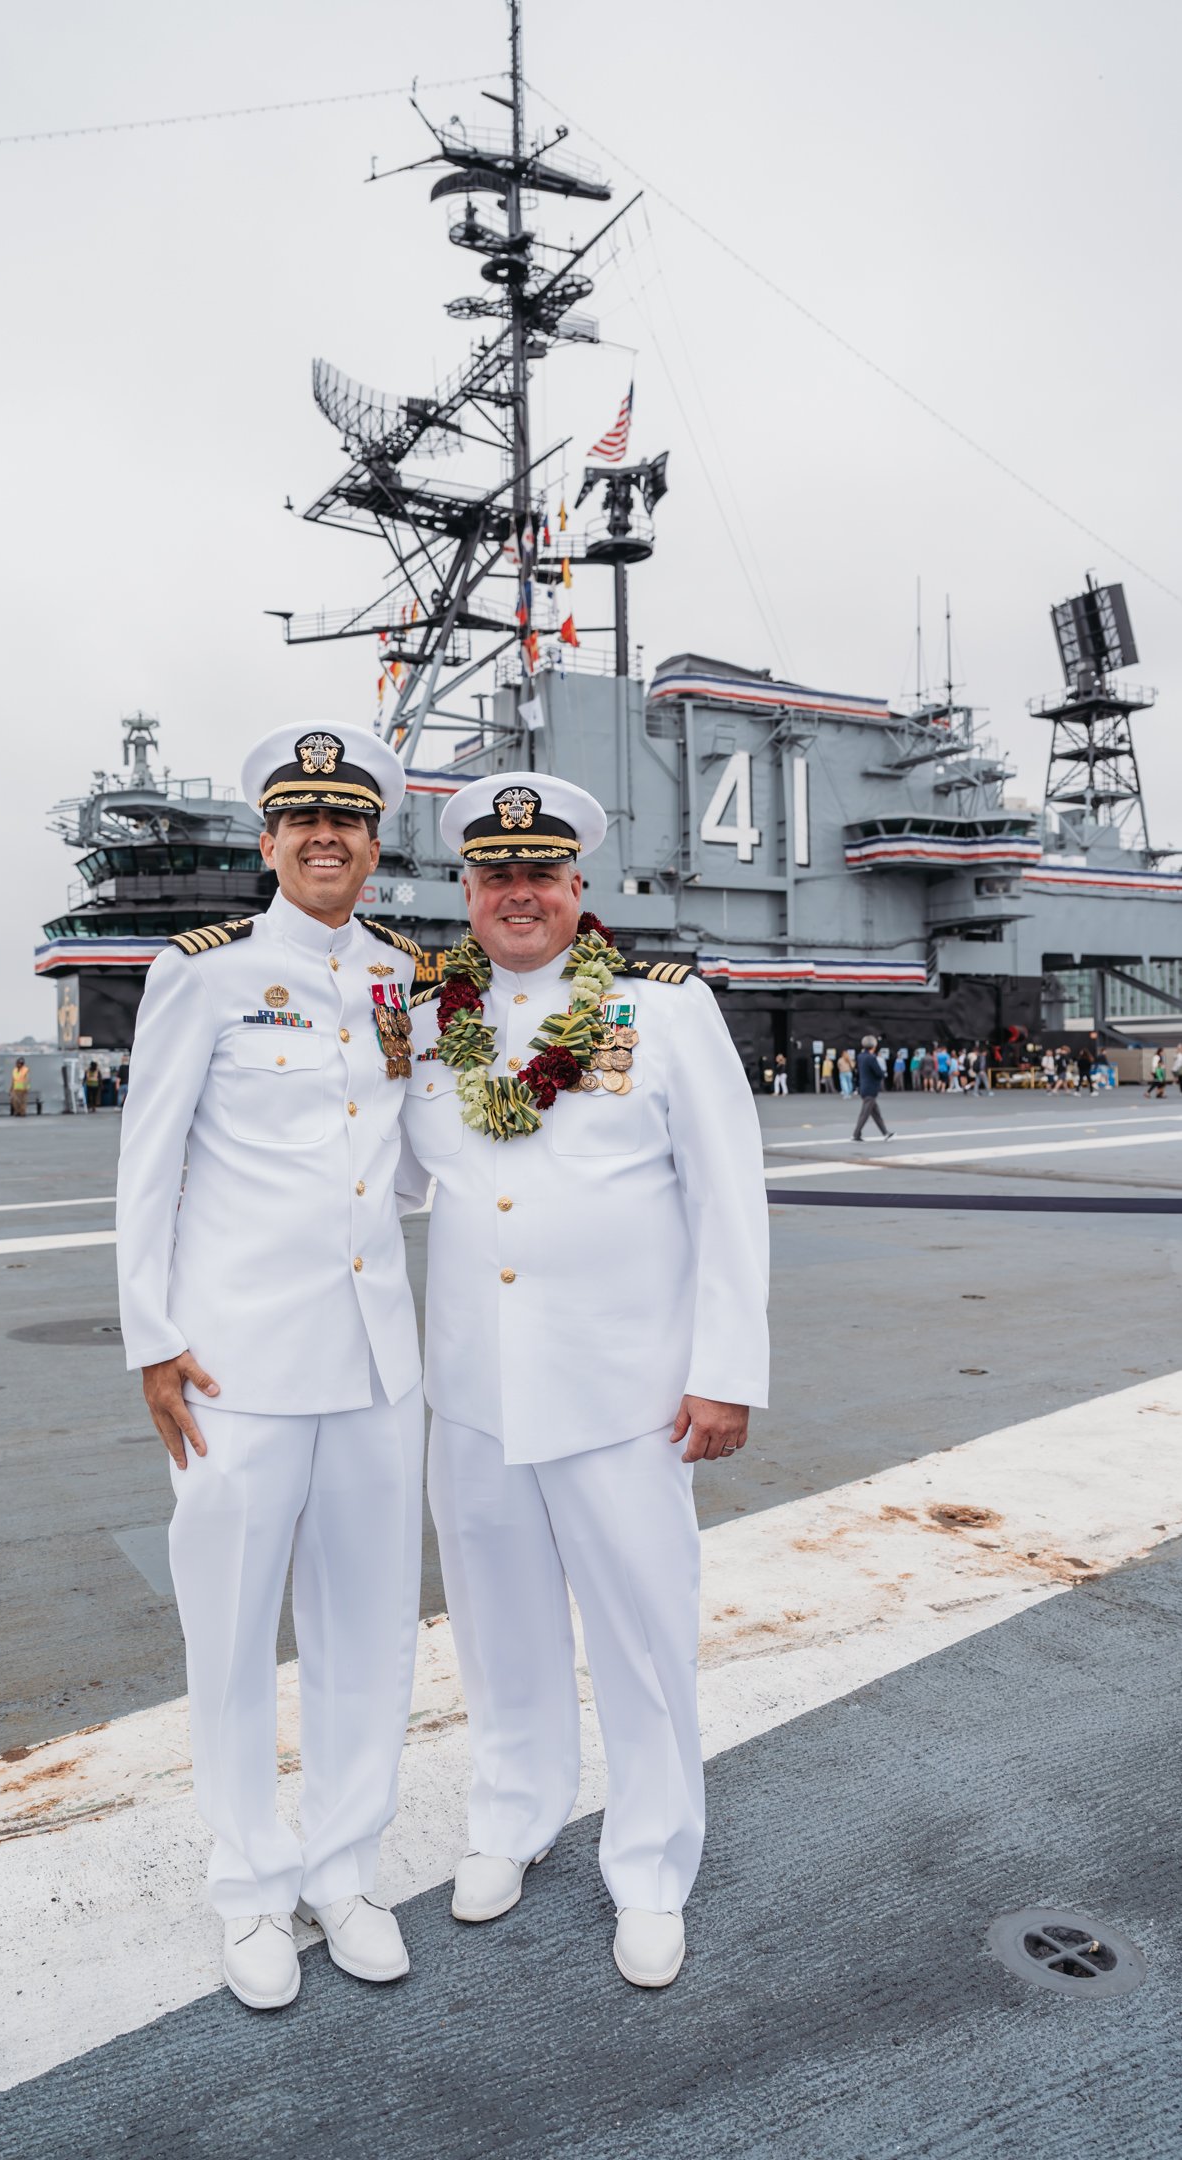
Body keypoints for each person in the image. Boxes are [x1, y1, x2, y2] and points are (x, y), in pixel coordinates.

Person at [400, 773, 768, 1992]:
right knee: (498, 1628)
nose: (518, 893)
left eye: (539, 874)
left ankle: (653, 1864)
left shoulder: (665, 1012)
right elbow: (394, 1179)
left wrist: (726, 1374)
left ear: (577, 887)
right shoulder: (423, 1022)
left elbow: (729, 1200)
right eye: (495, 875)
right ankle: (511, 1813)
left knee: (645, 1637)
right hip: (475, 1391)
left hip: (627, 1395)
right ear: (467, 892)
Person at [116, 723, 423, 2015]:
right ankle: (249, 1888)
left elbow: (420, 1160)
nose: (323, 838)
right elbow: (149, 1159)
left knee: (368, 1638)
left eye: (345, 820)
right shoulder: (204, 975)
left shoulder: (415, 983)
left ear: (371, 842)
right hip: (238, 1358)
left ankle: (343, 1870)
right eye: (301, 820)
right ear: (268, 842)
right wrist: (150, 1337)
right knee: (233, 1635)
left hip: (375, 1367)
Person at [852, 1033, 895, 1142]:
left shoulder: (860, 1056)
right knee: (865, 1114)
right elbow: (879, 1073)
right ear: (874, 1046)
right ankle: (856, 1134)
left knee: (876, 1113)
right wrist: (882, 1074)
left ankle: (885, 1133)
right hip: (871, 1089)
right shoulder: (871, 1058)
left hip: (863, 1087)